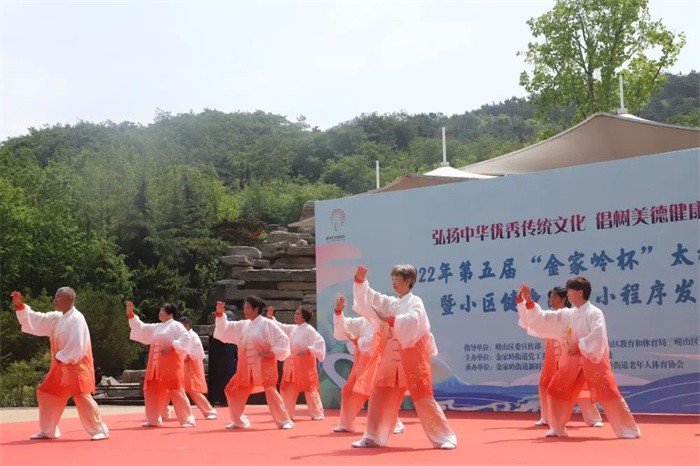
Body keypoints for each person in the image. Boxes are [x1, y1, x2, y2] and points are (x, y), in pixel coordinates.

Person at [519, 277, 642, 439]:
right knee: (556, 391)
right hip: (572, 361)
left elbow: (598, 335)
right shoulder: (568, 314)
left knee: (609, 393)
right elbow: (544, 318)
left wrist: (579, 345)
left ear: (580, 292)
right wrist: (529, 302)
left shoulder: (595, 313)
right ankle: (557, 428)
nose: (568, 293)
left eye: (570, 290)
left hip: (593, 361)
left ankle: (629, 430)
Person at [349, 264, 457, 449]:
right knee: (380, 394)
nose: (393, 283)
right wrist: (360, 283)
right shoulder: (393, 303)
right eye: (392, 279)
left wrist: (390, 320)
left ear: (408, 281)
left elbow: (413, 320)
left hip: (412, 355)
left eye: (397, 279)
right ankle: (373, 436)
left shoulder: (415, 302)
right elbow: (374, 298)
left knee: (423, 397)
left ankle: (445, 437)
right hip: (391, 358)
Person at [11, 288, 109, 441]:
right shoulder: (57, 317)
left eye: (58, 297)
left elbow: (78, 344)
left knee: (82, 396)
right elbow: (37, 319)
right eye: (55, 297)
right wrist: (21, 307)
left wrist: (63, 357)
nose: (55, 300)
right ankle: (48, 430)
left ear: (69, 300)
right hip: (59, 364)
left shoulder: (77, 318)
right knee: (47, 393)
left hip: (76, 364)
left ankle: (100, 429)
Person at [517, 287, 603, 428]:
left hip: (568, 355)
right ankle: (547, 417)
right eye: (550, 298)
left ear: (564, 299)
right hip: (552, 358)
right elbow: (531, 322)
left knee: (579, 386)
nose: (551, 300)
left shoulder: (570, 315)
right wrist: (522, 303)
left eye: (555, 297)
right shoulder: (551, 316)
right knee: (545, 386)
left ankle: (593, 418)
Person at [212, 296, 294, 430]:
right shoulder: (244, 325)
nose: (245, 310)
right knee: (232, 390)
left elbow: (282, 339)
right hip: (245, 368)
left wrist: (272, 352)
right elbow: (226, 329)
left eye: (248, 308)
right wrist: (220, 314)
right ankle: (238, 421)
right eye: (244, 308)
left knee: (270, 391)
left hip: (264, 365)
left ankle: (284, 420)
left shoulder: (267, 324)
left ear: (256, 309)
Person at [332, 294, 406, 435]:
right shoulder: (363, 322)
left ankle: (395, 423)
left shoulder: (385, 322)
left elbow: (376, 342)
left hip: (380, 362)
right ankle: (346, 423)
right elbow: (344, 328)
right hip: (362, 362)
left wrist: (357, 341)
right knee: (349, 391)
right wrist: (338, 312)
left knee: (379, 394)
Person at [126, 301, 195, 428]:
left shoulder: (176, 326)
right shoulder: (158, 327)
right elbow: (142, 328)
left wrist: (173, 346)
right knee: (151, 391)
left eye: (162, 311)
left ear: (170, 313)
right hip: (155, 366)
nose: (160, 313)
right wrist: (131, 315)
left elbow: (186, 338)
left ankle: (187, 419)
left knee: (176, 390)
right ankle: (153, 419)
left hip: (171, 365)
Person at [266, 305, 326, 421]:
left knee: (310, 390)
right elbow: (281, 327)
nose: (295, 315)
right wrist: (270, 317)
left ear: (304, 317)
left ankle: (317, 413)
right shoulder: (293, 329)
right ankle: (287, 413)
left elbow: (320, 342)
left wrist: (308, 350)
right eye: (296, 313)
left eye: (298, 314)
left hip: (304, 366)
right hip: (290, 365)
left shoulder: (309, 329)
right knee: (287, 389)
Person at [179, 316, 218, 420]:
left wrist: (188, 355)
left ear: (187, 325)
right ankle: (166, 412)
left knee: (193, 390)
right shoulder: (183, 336)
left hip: (191, 366)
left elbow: (199, 354)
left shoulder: (193, 336)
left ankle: (209, 410)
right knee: (176, 389)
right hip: (182, 366)